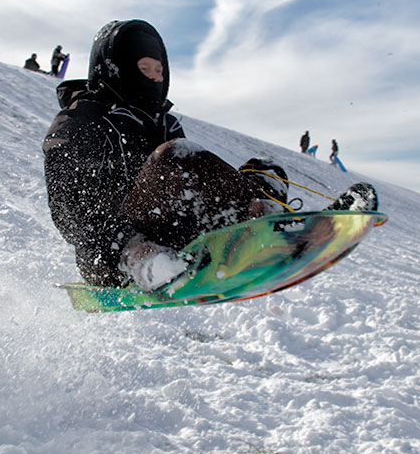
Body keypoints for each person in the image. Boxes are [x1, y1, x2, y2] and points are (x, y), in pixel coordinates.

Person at [43, 19, 374, 290]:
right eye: (146, 68)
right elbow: (69, 209)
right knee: (178, 157)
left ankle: (269, 228)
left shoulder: (161, 122)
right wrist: (131, 249)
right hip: (111, 256)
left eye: (160, 71)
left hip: (169, 235)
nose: (156, 78)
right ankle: (260, 233)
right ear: (116, 70)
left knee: (265, 169)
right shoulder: (81, 122)